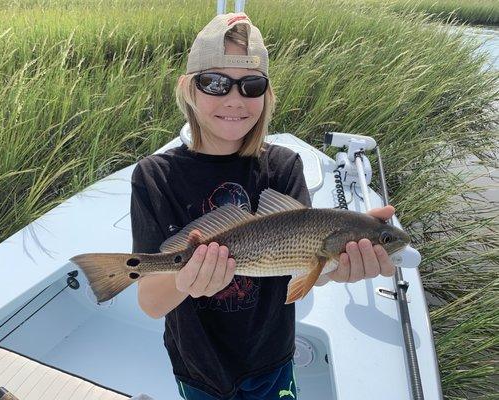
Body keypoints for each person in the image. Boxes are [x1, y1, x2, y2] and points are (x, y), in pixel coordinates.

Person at [130, 12, 396, 400]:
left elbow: (306, 270)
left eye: (251, 86)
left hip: (272, 358)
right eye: (215, 83)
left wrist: (336, 268)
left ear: (267, 95)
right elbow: (151, 303)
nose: (235, 100)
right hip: (197, 365)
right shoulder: (154, 177)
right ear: (188, 88)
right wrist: (183, 280)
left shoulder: (285, 166)